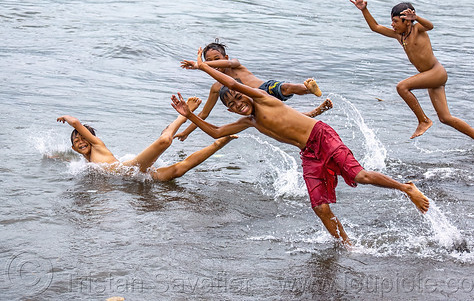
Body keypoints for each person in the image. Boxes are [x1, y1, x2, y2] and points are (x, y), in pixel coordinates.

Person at [170, 48, 430, 247]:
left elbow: (234, 84)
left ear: (246, 93)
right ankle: (348, 245)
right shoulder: (248, 122)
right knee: (319, 208)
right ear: (229, 110)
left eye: (240, 97)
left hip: (321, 135)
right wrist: (188, 116)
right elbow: (216, 131)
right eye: (234, 105)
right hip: (308, 153)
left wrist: (204, 67)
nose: (239, 103)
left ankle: (406, 188)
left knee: (359, 176)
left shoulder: (261, 98)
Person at [350, 0, 474, 156]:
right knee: (445, 118)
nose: (392, 24)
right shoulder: (399, 36)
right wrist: (364, 10)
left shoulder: (418, 29)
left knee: (402, 87)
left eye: (396, 21)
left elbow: (430, 26)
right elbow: (375, 27)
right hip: (430, 77)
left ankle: (423, 120)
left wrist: (416, 18)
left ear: (407, 21)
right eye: (392, 21)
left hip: (436, 72)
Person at [57, 97, 236, 182]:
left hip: (131, 168)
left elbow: (76, 122)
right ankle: (219, 143)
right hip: (137, 177)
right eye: (77, 141)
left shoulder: (97, 145)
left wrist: (67, 117)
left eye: (83, 138)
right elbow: (67, 158)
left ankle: (184, 114)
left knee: (165, 141)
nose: (81, 141)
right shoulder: (84, 160)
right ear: (74, 148)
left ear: (91, 139)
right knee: (179, 170)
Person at [175, 40, 323, 141]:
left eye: (216, 59)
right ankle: (310, 114)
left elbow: (229, 70)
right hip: (256, 107)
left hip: (265, 90)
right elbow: (204, 114)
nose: (214, 63)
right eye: (210, 61)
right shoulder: (216, 87)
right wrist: (186, 132)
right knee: (281, 119)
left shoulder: (235, 64)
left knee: (286, 87)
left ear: (225, 57)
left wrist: (201, 65)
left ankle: (308, 89)